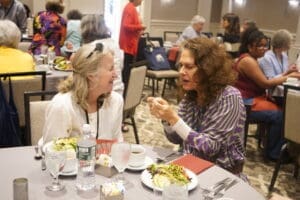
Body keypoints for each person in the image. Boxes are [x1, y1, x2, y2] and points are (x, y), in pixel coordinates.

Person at [148, 38, 246, 176]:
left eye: (189, 67)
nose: (182, 72)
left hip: (221, 174)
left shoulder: (229, 97)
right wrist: (166, 119)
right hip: (190, 167)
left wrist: (174, 119)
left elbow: (211, 148)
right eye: (181, 65)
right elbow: (176, 138)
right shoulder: (191, 95)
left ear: (208, 69)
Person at [233, 27, 300, 161]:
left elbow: (268, 80)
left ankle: (275, 148)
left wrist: (287, 74)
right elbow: (266, 83)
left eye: (265, 46)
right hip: (245, 104)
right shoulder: (248, 61)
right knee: (281, 116)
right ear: (249, 46)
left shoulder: (252, 59)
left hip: (251, 99)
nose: (264, 49)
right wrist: (288, 77)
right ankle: (273, 153)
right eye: (260, 46)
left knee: (282, 111)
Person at [43, 42, 123, 143]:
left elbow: (117, 145)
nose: (115, 75)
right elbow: (51, 153)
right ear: (91, 75)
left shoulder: (115, 101)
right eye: (111, 69)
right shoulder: (61, 106)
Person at [81, 14, 124, 96]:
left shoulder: (93, 47)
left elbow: (84, 73)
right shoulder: (113, 43)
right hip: (118, 90)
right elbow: (120, 66)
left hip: (103, 94)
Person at [119, 0, 146, 96]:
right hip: (128, 45)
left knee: (127, 70)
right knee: (127, 71)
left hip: (129, 45)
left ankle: (126, 93)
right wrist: (140, 27)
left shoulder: (131, 7)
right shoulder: (130, 8)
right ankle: (126, 94)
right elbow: (126, 25)